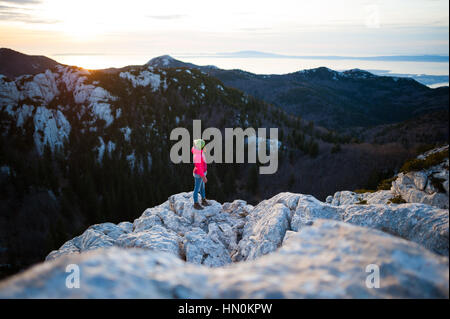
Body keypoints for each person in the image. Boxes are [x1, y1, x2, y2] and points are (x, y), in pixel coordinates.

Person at [192, 139, 211, 210]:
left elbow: (195, 142)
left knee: (202, 187)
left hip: (202, 173)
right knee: (197, 189)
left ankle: (203, 200)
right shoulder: (197, 155)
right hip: (199, 174)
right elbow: (199, 168)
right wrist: (203, 177)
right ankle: (196, 203)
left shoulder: (198, 151)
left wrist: (201, 142)